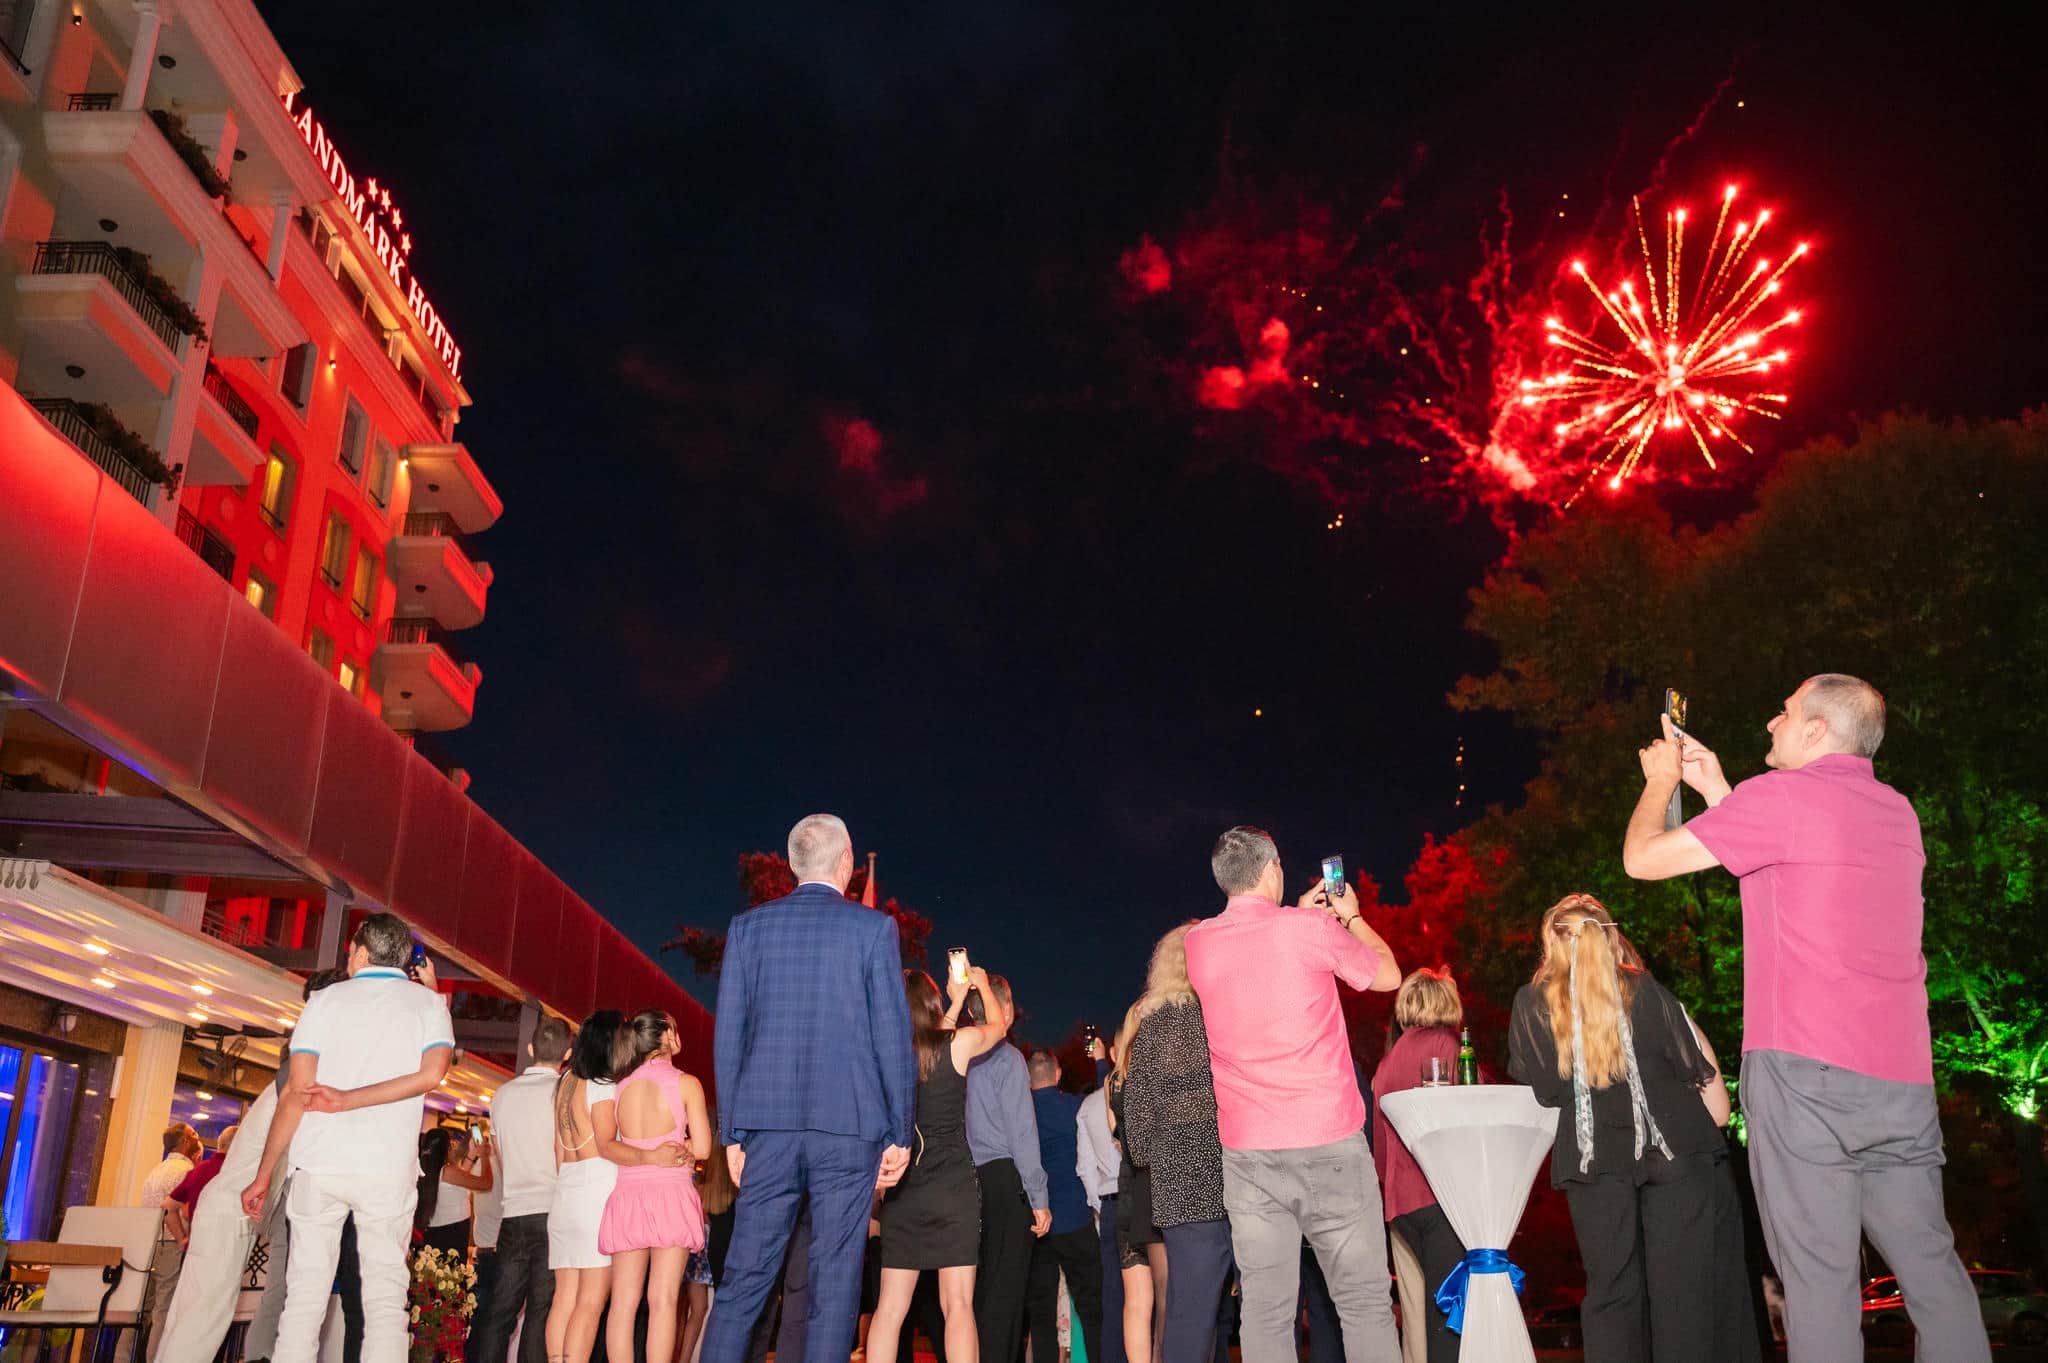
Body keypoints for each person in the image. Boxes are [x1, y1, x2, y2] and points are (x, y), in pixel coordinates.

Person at [1622, 674, 1990, 1362]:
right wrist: (1718, 790)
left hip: (1804, 1077)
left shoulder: (1782, 798)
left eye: (1785, 713)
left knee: (1820, 1282)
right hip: (1902, 1084)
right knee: (1933, 1271)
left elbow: (1642, 859)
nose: (1772, 722)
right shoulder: (1897, 814)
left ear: (1816, 729)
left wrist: (1660, 780)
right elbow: (1786, 861)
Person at [700, 814, 917, 1363]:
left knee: (743, 1282)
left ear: (795, 864)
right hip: (850, 1128)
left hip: (767, 1128)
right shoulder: (872, 930)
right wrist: (899, 1132)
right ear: (845, 862)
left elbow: (730, 1036)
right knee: (835, 1287)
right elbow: (893, 1038)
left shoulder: (749, 929)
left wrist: (732, 1133)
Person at [1182, 827, 1401, 1363]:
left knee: (1264, 1310)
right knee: (1363, 1303)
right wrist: (1350, 917)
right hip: (1328, 1141)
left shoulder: (1198, 943)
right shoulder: (1308, 930)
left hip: (1248, 1154)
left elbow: (1259, 955)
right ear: (1271, 868)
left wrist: (1297, 917)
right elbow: (1388, 976)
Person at [1507, 895, 1743, 1363]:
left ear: (1551, 943)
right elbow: (1695, 1068)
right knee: (1682, 1294)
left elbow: (1546, 1091)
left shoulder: (1533, 1002)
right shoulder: (1646, 990)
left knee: (1611, 1291)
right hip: (1675, 1147)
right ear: (1611, 937)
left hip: (1595, 1156)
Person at [240, 913, 455, 1363]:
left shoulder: (324, 1001)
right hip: (387, 1170)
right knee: (384, 1303)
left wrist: (264, 1174)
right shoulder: (429, 1005)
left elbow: (296, 1094)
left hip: (320, 1165)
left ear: (359, 952)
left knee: (303, 1302)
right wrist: (432, 993)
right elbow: (433, 1073)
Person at [867, 967, 1006, 1363]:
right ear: (931, 1003)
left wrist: (956, 1003)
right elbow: (997, 1027)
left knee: (890, 1309)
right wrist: (980, 985)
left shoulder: (883, 1058)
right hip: (953, 1192)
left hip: (904, 1194)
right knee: (958, 1305)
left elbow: (924, 1044)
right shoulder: (956, 1045)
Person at [1120, 925, 1230, 1363]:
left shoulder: (1149, 1030)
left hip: (1177, 1190)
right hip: (1234, 1177)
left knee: (1189, 1308)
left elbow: (1137, 1133)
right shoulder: (1219, 1019)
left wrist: (1167, 1154)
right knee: (1254, 1305)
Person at [1370, 970, 1472, 1363]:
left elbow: (1381, 1147)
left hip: (1400, 1206)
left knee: (1423, 1310)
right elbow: (1475, 1109)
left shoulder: (1388, 1061)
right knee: (1448, 1311)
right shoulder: (1447, 1046)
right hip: (1438, 1197)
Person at [599, 1008, 711, 1363]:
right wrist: (680, 1149)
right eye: (675, 1028)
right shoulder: (687, 1083)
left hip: (628, 1194)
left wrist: (647, 1153)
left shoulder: (619, 1087)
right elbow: (704, 1148)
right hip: (670, 1194)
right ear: (665, 1036)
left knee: (622, 1303)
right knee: (663, 1300)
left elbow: (608, 1145)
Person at [472, 1014, 575, 1363]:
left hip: (514, 1213)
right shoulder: (565, 1094)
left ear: (530, 1048)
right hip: (552, 1213)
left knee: (499, 1311)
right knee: (540, 1311)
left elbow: (500, 1156)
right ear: (568, 1054)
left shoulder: (502, 1095)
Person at [965, 974, 1049, 1363]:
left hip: (970, 1181)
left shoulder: (961, 1059)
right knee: (1007, 1294)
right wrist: (1038, 1196)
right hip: (1006, 1178)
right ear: (1006, 1009)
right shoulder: (1009, 1059)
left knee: (981, 1290)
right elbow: (1022, 1132)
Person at [546, 1012, 629, 1363]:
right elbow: (607, 1144)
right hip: (596, 1193)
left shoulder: (564, 1083)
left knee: (564, 1297)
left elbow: (557, 1149)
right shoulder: (602, 1085)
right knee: (591, 1302)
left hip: (565, 1190)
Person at [1025, 1049, 1104, 1363]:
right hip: (1075, 1220)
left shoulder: (1021, 1113)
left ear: (1028, 1080)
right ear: (1057, 1075)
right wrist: (1101, 1063)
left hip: (1037, 1224)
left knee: (1040, 1310)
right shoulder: (1075, 1107)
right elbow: (1104, 1103)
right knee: (1092, 1306)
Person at [1077, 1038, 1128, 1363]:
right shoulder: (1148, 1095)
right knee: (1154, 1294)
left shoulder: (1089, 1105)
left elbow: (1085, 1168)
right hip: (1146, 1202)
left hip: (1110, 1203)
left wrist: (1100, 1206)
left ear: (1112, 1053)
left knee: (1113, 1296)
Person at [139, 1121, 203, 1358]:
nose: (198, 1138)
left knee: (140, 1310)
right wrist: (184, 1238)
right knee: (164, 1311)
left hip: (147, 1244)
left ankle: (122, 1357)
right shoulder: (186, 1172)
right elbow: (184, 1212)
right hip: (171, 1243)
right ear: (185, 1141)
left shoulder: (155, 1171)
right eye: (194, 1134)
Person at [416, 1128, 494, 1255]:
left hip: (437, 1234)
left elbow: (457, 1182)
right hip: (452, 1234)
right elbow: (486, 1184)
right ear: (446, 1149)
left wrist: (471, 1155)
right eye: (451, 1144)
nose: (454, 1147)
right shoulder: (448, 1171)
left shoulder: (428, 1169)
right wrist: (485, 1156)